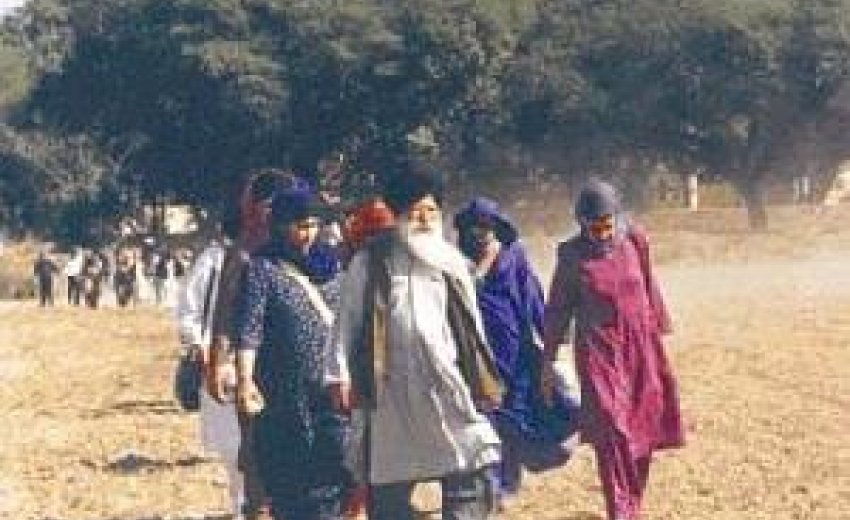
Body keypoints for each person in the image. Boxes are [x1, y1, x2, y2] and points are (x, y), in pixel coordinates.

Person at [324, 166, 502, 520]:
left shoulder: (452, 263)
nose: (424, 220)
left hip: (444, 383)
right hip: (390, 391)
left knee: (467, 465)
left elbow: (473, 328)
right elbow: (347, 322)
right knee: (389, 481)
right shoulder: (370, 262)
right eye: (416, 211)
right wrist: (338, 374)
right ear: (399, 214)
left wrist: (483, 376)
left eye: (431, 211)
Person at [541, 180, 685, 520]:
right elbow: (558, 308)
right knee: (611, 428)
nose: (603, 233)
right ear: (582, 223)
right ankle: (620, 511)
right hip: (599, 351)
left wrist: (659, 333)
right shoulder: (571, 256)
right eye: (595, 227)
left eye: (608, 224)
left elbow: (648, 285)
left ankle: (632, 503)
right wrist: (548, 357)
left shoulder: (635, 241)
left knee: (643, 427)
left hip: (641, 348)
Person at [234, 186, 351, 520]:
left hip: (331, 393)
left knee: (333, 476)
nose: (307, 234)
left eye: (313, 225)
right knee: (291, 487)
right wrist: (245, 379)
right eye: (299, 225)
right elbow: (250, 330)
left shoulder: (333, 270)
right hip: (284, 398)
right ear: (279, 225)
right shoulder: (262, 270)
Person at [454, 197, 578, 509]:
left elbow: (534, 301)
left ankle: (508, 482)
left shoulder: (514, 260)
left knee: (514, 421)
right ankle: (494, 485)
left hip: (516, 357)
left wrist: (553, 339)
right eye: (473, 228)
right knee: (487, 423)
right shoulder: (457, 266)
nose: (479, 234)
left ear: (496, 229)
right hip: (477, 360)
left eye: (485, 227)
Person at [206, 169, 305, 520]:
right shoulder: (244, 253)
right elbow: (224, 315)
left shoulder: (306, 250)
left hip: (302, 369)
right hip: (257, 370)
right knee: (259, 454)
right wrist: (219, 362)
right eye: (270, 205)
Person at [176, 217, 245, 519]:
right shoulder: (214, 260)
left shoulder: (269, 256)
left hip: (260, 360)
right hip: (221, 361)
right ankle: (242, 505)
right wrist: (200, 347)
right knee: (232, 442)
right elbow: (189, 308)